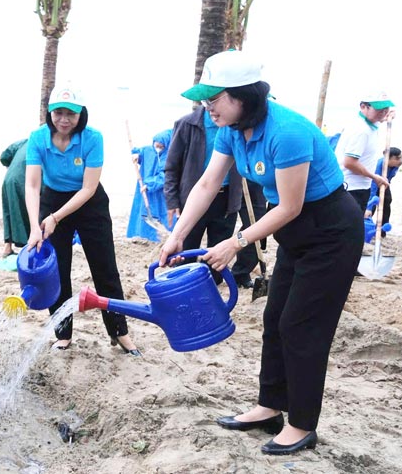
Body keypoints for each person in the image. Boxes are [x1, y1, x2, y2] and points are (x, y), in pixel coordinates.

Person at [160, 50, 362, 456]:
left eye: (214, 98)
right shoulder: (232, 130)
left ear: (243, 95)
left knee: (302, 327)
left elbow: (291, 206)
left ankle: (302, 424)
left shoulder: (286, 131)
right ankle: (269, 407)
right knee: (274, 319)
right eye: (205, 100)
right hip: (293, 231)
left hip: (330, 231)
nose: (208, 107)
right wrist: (177, 235)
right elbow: (207, 184)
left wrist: (236, 242)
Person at [25, 87, 140, 355]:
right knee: (57, 271)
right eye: (58, 113)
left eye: (71, 114)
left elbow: (89, 188)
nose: (64, 119)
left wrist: (55, 217)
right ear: (50, 113)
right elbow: (32, 185)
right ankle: (63, 334)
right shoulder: (38, 138)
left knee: (105, 269)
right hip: (53, 200)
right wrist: (34, 227)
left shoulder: (92, 138)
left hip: (90, 204)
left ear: (81, 114)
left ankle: (119, 331)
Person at [164, 104, 243, 281]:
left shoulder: (237, 125)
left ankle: (211, 289)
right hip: (193, 199)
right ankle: (185, 287)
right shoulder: (186, 124)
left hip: (227, 199)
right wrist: (172, 200)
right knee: (185, 254)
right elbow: (171, 167)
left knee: (217, 259)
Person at [335, 93, 394, 210]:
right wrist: (375, 177)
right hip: (350, 187)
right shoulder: (361, 130)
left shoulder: (370, 123)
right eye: (379, 108)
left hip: (360, 186)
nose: (383, 111)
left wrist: (387, 116)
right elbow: (350, 163)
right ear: (363, 107)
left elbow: (380, 117)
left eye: (386, 108)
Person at [126, 129, 172, 241]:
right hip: (143, 187)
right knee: (142, 211)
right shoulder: (148, 150)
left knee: (160, 213)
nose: (158, 148)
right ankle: (140, 235)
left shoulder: (169, 157)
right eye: (156, 145)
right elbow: (140, 154)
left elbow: (165, 175)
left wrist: (150, 184)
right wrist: (136, 155)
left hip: (160, 192)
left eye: (161, 146)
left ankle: (159, 237)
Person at [0, 139, 30, 258]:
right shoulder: (45, 145)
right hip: (24, 181)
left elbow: (4, 156)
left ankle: (7, 248)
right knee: (30, 212)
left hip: (9, 179)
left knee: (9, 212)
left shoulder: (24, 142)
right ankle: (30, 249)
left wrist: (9, 165)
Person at [365, 147, 402, 225]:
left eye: (401, 157)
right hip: (373, 185)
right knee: (372, 205)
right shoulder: (379, 166)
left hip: (385, 183)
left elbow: (390, 176)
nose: (400, 160)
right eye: (397, 158)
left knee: (387, 201)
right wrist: (369, 208)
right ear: (387, 158)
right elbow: (373, 187)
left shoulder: (397, 164)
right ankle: (367, 225)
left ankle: (382, 228)